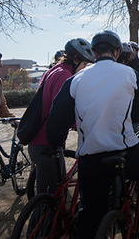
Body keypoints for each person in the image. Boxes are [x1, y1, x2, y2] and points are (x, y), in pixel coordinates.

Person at [46, 30, 139, 238]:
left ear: (94, 52)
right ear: (116, 52)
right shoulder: (129, 73)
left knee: (91, 215)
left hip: (90, 157)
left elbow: (57, 118)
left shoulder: (76, 79)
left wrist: (56, 144)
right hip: (125, 151)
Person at [28, 38, 94, 194]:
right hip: (46, 143)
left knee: (56, 194)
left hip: (39, 142)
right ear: (76, 59)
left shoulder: (55, 69)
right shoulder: (64, 75)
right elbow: (60, 112)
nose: (84, 69)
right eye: (84, 64)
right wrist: (84, 125)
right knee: (49, 200)